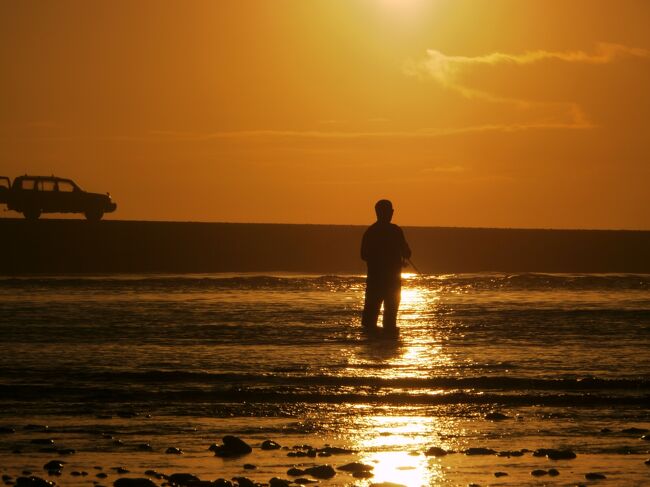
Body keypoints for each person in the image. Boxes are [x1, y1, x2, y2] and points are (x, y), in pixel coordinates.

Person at [361, 199, 411, 335]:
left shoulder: (370, 232)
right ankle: (388, 342)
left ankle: (370, 342)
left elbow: (363, 255)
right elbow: (407, 252)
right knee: (390, 319)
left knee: (369, 320)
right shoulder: (395, 231)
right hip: (391, 282)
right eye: (390, 211)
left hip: (375, 282)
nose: (391, 213)